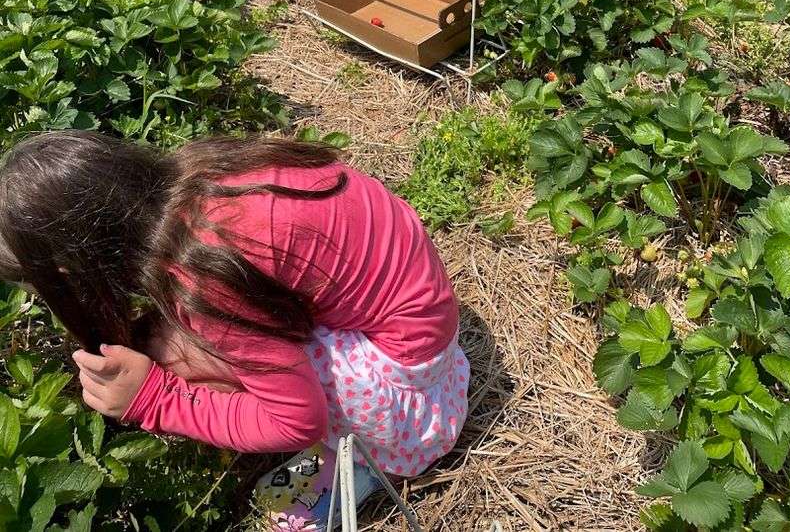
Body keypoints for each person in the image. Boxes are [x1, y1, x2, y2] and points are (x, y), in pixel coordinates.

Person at [0, 131, 469, 530]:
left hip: (409, 377)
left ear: (69, 267)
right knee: (187, 337)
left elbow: (298, 422)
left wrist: (155, 398)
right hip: (420, 312)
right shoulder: (199, 173)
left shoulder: (204, 277)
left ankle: (367, 460)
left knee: (179, 352)